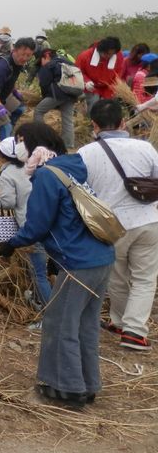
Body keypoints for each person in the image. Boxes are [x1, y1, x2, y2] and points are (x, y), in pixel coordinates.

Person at [0, 122, 114, 408]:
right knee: (84, 323)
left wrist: (12, 243)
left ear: (34, 143)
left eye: (21, 140)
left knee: (59, 322)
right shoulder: (73, 166)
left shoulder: (47, 176)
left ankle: (66, 388)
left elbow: (37, 224)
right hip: (101, 257)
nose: (18, 146)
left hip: (78, 261)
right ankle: (87, 384)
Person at [79, 100, 158, 351]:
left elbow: (81, 192)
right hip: (147, 220)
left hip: (110, 226)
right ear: (123, 122)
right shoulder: (145, 148)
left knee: (117, 276)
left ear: (94, 124)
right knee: (144, 278)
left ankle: (120, 322)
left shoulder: (85, 153)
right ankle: (134, 331)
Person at [0, 137, 51, 316]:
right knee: (50, 269)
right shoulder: (35, 166)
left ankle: (48, 316)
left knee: (38, 273)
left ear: (2, 156)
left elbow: (8, 202)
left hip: (30, 226)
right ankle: (39, 300)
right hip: (49, 222)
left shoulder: (7, 174)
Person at [33, 48, 78, 149]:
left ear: (46, 56)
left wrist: (45, 98)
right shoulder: (67, 62)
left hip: (57, 95)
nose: (41, 63)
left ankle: (41, 139)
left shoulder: (49, 65)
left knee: (38, 111)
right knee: (68, 120)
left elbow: (44, 85)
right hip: (71, 94)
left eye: (41, 60)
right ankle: (69, 145)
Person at [75, 36, 124, 111]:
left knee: (107, 106)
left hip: (108, 86)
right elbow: (77, 71)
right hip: (91, 86)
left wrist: (112, 89)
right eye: (106, 53)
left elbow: (118, 74)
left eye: (111, 54)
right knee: (94, 104)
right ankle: (91, 117)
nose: (108, 56)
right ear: (100, 50)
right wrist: (86, 81)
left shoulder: (118, 56)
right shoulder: (85, 56)